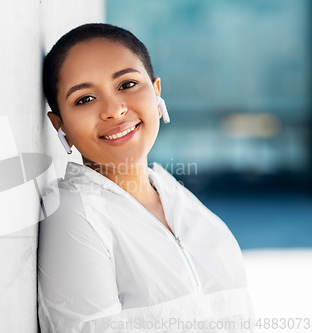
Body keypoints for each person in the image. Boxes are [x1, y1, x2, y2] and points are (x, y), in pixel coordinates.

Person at [37, 23, 254, 333]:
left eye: (126, 84)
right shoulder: (75, 214)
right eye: (85, 99)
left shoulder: (179, 199)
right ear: (61, 126)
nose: (114, 110)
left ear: (156, 92)